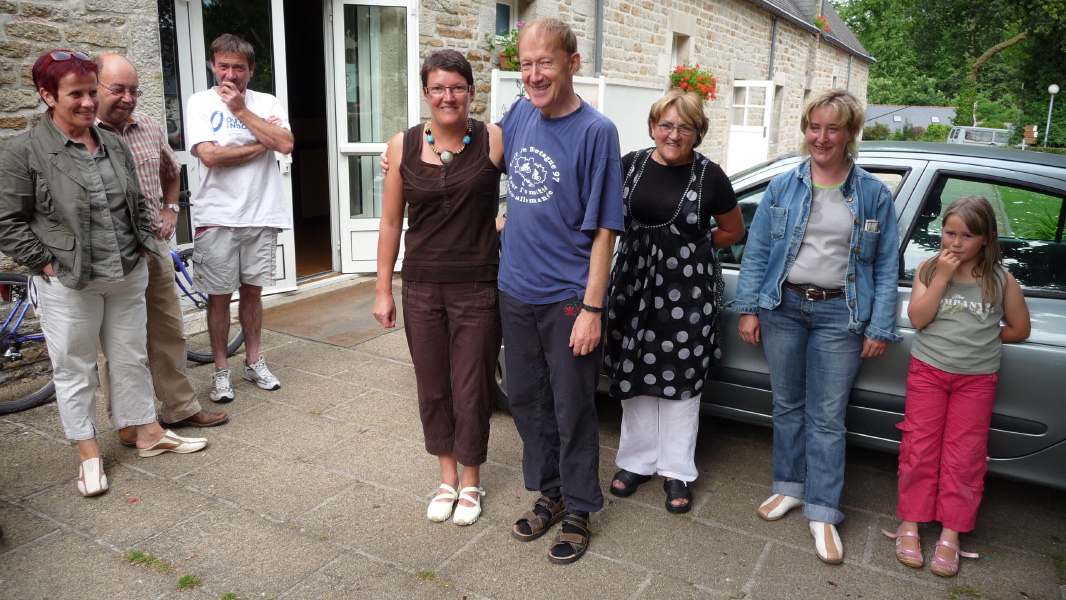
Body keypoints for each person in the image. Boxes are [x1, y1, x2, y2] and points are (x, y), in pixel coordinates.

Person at [0, 49, 208, 498]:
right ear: (47, 95)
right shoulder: (24, 149)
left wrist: (143, 242)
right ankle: (89, 453)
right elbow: (7, 221)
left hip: (127, 271)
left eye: (92, 93)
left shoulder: (111, 142)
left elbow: (132, 200)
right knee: (75, 368)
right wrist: (46, 263)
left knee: (130, 357)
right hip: (70, 281)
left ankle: (147, 432)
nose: (88, 103)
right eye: (76, 94)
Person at [730, 89, 901, 563]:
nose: (821, 137)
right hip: (783, 308)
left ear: (850, 133)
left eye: (832, 128)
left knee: (827, 417)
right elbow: (758, 251)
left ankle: (823, 510)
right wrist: (750, 308)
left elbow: (886, 264)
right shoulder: (783, 186)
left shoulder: (872, 193)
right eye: (814, 127)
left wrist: (879, 326)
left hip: (840, 314)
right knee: (787, 405)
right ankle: (789, 486)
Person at [500, 18, 624, 565]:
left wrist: (592, 308)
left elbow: (606, 230)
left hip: (568, 295)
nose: (534, 74)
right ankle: (550, 492)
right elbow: (479, 150)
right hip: (515, 288)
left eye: (545, 62)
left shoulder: (597, 131)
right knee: (527, 400)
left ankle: (579, 506)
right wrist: (417, 145)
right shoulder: (520, 112)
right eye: (526, 64)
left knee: (572, 406)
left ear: (572, 63)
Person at [373, 50, 504, 527]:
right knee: (432, 386)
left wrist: (506, 220)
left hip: (478, 287)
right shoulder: (402, 145)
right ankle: (446, 478)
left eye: (457, 87)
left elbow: (536, 187)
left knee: (472, 388)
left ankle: (471, 480)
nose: (448, 97)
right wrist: (383, 290)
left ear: (471, 91)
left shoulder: (494, 139)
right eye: (438, 88)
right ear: (426, 93)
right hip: (422, 288)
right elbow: (391, 223)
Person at [603, 88, 744, 514]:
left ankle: (676, 470)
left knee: (681, 378)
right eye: (666, 125)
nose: (674, 134)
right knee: (635, 370)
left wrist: (693, 247)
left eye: (685, 127)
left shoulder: (710, 175)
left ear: (698, 133)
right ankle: (636, 461)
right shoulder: (630, 165)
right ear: (652, 127)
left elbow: (733, 230)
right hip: (632, 285)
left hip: (687, 292)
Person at [882, 196, 1030, 577]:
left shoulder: (1000, 279)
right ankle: (910, 523)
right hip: (928, 372)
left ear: (987, 239)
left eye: (967, 236)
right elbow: (918, 318)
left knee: (965, 457)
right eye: (950, 233)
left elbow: (1019, 328)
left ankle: (951, 532)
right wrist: (943, 278)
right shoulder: (930, 269)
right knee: (919, 448)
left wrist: (981, 338)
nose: (956, 243)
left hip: (976, 380)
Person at [92, 53, 229, 440]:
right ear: (94, 87)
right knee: (118, 341)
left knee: (169, 330)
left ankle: (180, 408)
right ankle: (130, 422)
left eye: (134, 90)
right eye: (118, 89)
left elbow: (172, 170)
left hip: (152, 244)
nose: (128, 98)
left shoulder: (149, 127)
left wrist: (171, 208)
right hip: (110, 250)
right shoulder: (83, 133)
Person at [186, 34, 294, 403]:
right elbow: (210, 156)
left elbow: (285, 144)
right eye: (223, 66)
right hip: (218, 215)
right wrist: (262, 141)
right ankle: (220, 369)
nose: (230, 75)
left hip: (261, 212)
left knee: (253, 293)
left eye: (238, 67)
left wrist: (241, 111)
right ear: (212, 65)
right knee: (218, 297)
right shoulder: (200, 102)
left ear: (251, 70)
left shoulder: (266, 102)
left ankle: (252, 361)